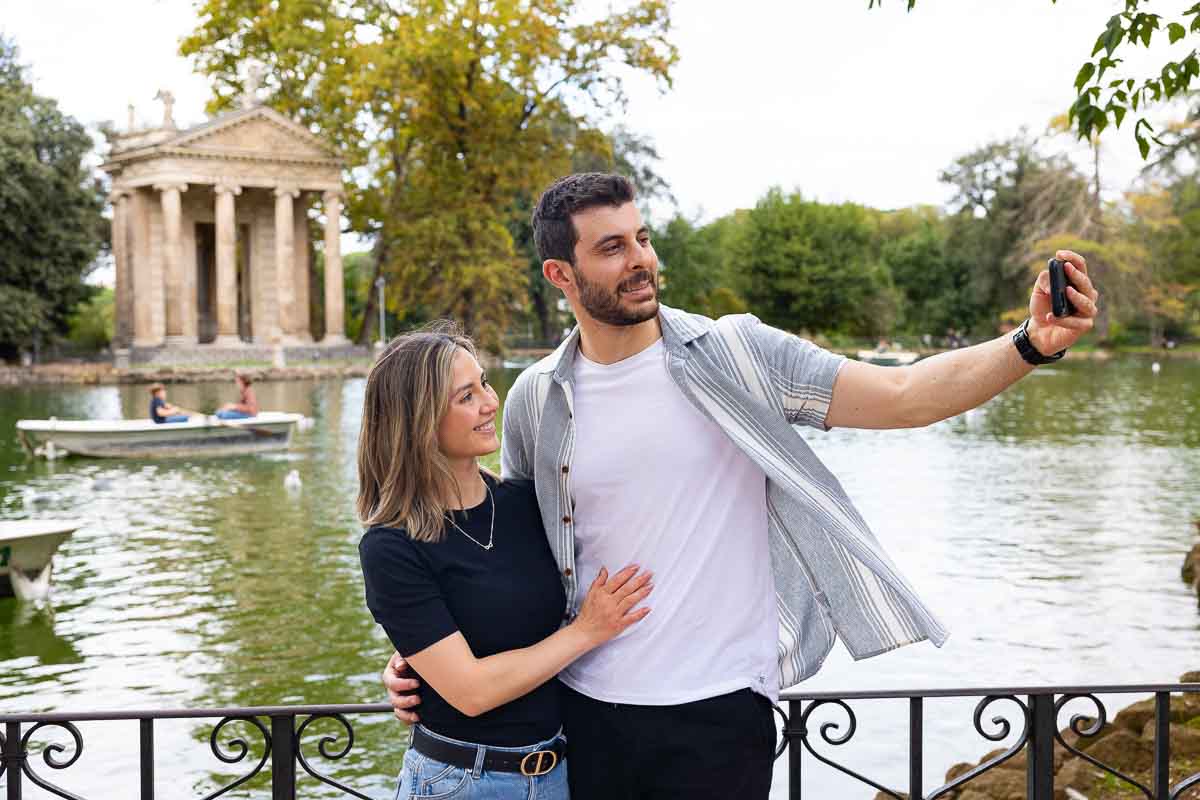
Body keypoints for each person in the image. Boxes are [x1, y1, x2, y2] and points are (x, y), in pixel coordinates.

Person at [384, 173, 1101, 799]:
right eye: (611, 248)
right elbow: (502, 552)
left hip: (718, 712)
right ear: (559, 276)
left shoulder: (738, 353)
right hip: (581, 714)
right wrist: (424, 657)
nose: (640, 261)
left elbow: (906, 394)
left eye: (642, 238)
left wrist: (1027, 345)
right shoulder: (538, 398)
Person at [357, 323, 653, 799]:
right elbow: (471, 691)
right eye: (465, 396)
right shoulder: (391, 546)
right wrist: (586, 631)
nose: (491, 403)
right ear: (419, 420)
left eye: (485, 384)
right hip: (461, 782)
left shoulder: (528, 503)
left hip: (559, 772)